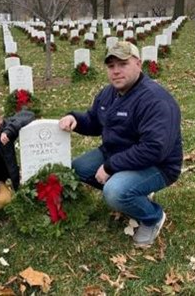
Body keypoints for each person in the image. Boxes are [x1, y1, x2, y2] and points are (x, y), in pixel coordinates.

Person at [59, 41, 182, 246]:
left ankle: (153, 217)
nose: (116, 71)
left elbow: (154, 149)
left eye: (122, 64)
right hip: (116, 153)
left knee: (115, 191)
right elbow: (94, 122)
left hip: (158, 165)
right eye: (111, 66)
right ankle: (135, 191)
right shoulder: (108, 93)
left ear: (138, 64)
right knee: (78, 168)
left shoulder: (155, 100)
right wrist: (75, 120)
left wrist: (110, 167)